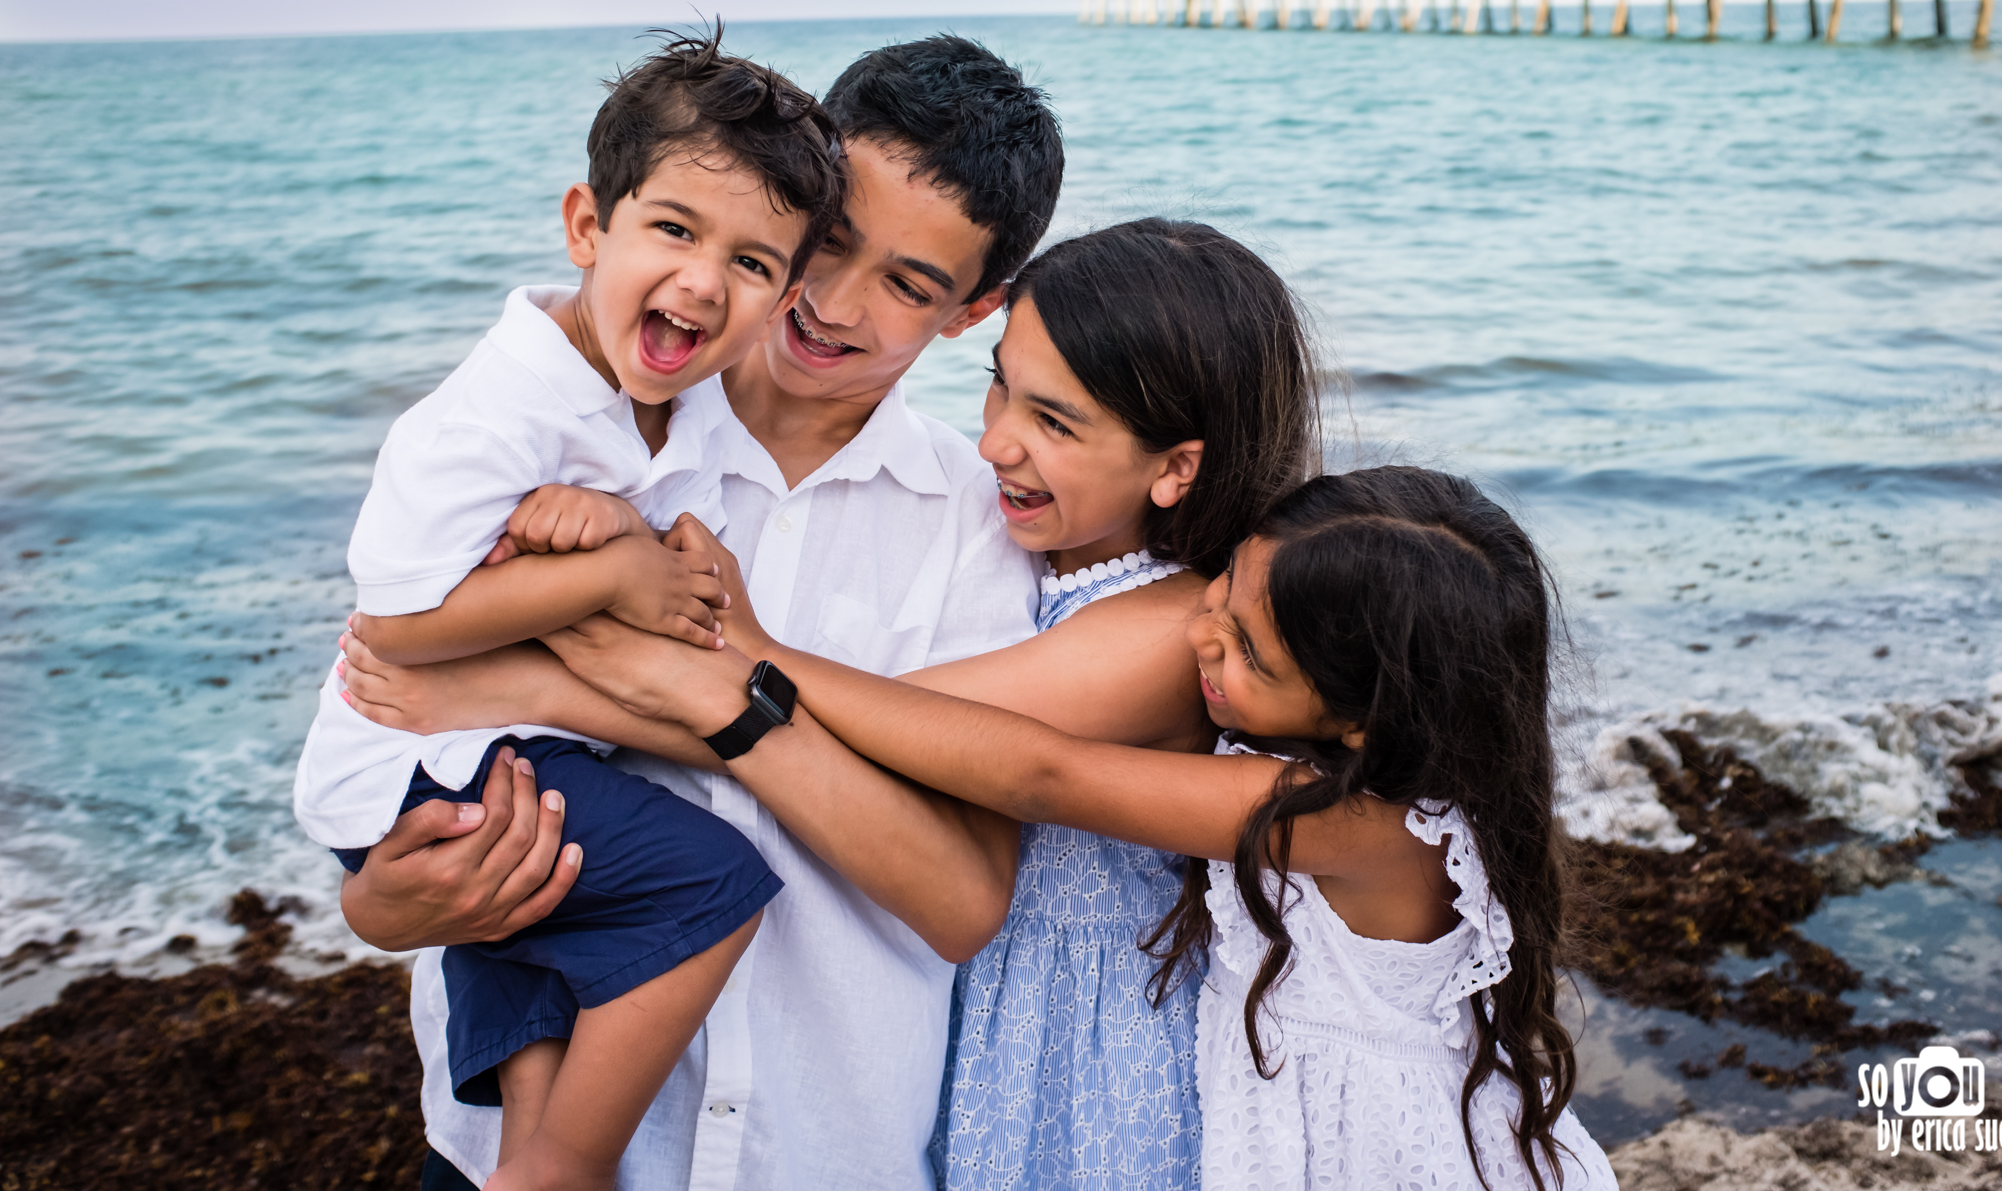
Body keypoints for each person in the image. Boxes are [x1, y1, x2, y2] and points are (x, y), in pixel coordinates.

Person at [349, 218, 1319, 1188]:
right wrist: (374, 893)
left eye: (1053, 422)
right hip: (966, 1047)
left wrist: (704, 667)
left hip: (1066, 1057)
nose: (993, 442)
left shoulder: (1156, 622)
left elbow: (931, 740)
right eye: (1000, 387)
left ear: (1177, 466)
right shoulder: (614, 428)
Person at [336, 34, 1067, 1191]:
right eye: (823, 246)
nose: (829, 304)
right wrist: (378, 906)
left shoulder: (979, 529)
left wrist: (727, 701)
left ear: (971, 312)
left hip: (820, 1147)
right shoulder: (578, 440)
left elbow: (963, 898)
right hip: (506, 1147)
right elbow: (399, 705)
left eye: (907, 285)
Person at [544, 468, 1620, 1191]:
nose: (1197, 632)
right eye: (1220, 595)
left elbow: (1040, 773)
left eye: (1246, 648)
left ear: (1356, 718)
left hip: (1375, 1156)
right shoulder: (1362, 773)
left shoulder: (1350, 821)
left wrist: (759, 659)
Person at [292, 30, 846, 1190]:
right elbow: (394, 630)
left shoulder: (682, 417)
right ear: (588, 227)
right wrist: (608, 572)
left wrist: (625, 542)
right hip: (413, 754)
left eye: (752, 264)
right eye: (674, 229)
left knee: (522, 945)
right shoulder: (495, 413)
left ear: (785, 298)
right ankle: (572, 1167)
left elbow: (679, 597)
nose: (702, 280)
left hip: (493, 747)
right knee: (712, 885)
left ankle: (528, 1164)